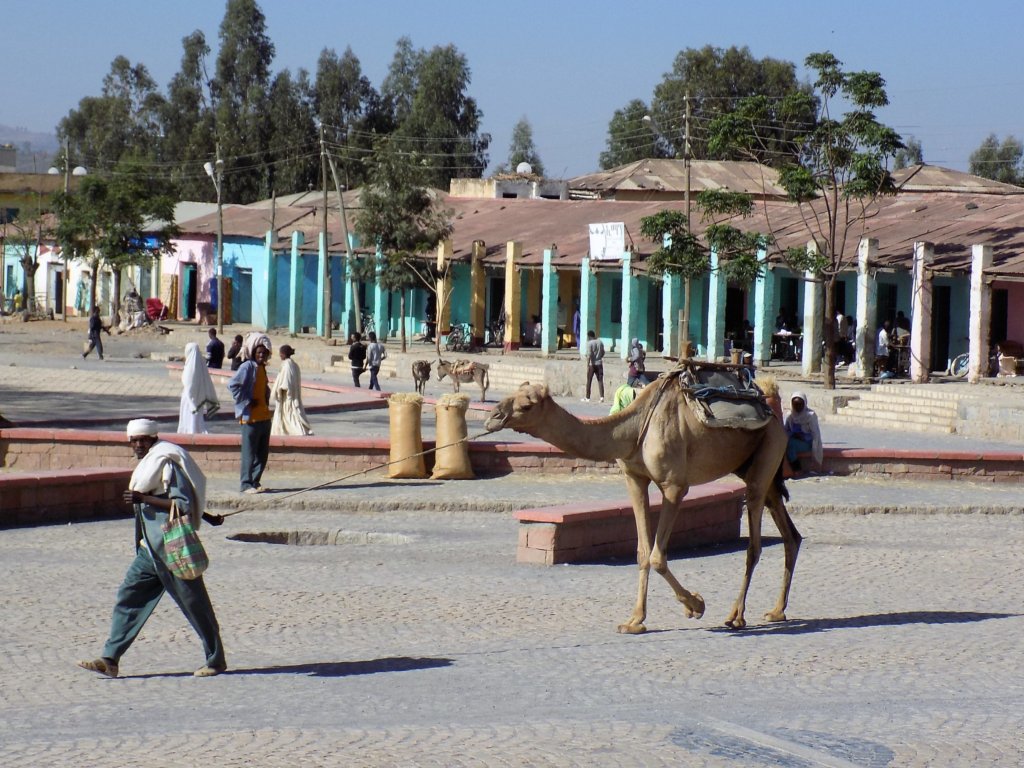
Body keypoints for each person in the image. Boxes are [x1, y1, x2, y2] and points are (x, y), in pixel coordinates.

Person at [77, 418, 226, 679]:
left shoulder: (165, 461)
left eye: (142, 440)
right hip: (150, 550)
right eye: (133, 441)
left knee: (195, 604)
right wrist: (208, 516)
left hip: (172, 548)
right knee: (129, 596)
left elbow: (180, 502)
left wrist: (142, 498)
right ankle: (110, 658)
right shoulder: (151, 462)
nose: (138, 445)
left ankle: (215, 659)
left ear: (153, 439)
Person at [227, 332, 272, 494]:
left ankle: (255, 481)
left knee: (262, 454)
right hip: (250, 418)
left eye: (264, 353)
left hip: (264, 417)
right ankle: (245, 483)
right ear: (253, 353)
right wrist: (246, 401)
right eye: (259, 353)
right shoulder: (247, 367)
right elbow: (233, 384)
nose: (261, 355)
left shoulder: (262, 369)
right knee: (249, 453)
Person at [270, 344, 313, 436]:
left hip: (288, 398)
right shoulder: (293, 364)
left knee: (291, 416)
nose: (280, 355)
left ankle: (298, 432)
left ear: (283, 354)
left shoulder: (288, 365)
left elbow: (286, 382)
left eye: (280, 353)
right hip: (290, 396)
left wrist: (280, 390)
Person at [178, 342, 220, 435]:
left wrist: (191, 399)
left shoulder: (190, 366)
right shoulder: (201, 364)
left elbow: (188, 383)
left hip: (189, 398)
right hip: (199, 396)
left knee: (189, 417)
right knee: (195, 419)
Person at [783, 391, 823, 474]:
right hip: (793, 440)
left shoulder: (810, 416)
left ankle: (797, 469)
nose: (797, 407)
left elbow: (815, 434)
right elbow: (786, 430)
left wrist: (803, 436)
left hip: (807, 443)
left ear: (804, 403)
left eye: (800, 404)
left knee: (790, 445)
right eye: (795, 404)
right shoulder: (790, 415)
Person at [582, 330, 605, 403]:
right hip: (599, 364)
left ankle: (587, 397)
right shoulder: (600, 342)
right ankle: (602, 397)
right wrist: (599, 357)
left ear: (589, 336)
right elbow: (603, 352)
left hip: (592, 364)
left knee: (589, 381)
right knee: (600, 380)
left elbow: (589, 355)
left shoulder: (589, 343)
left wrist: (587, 365)